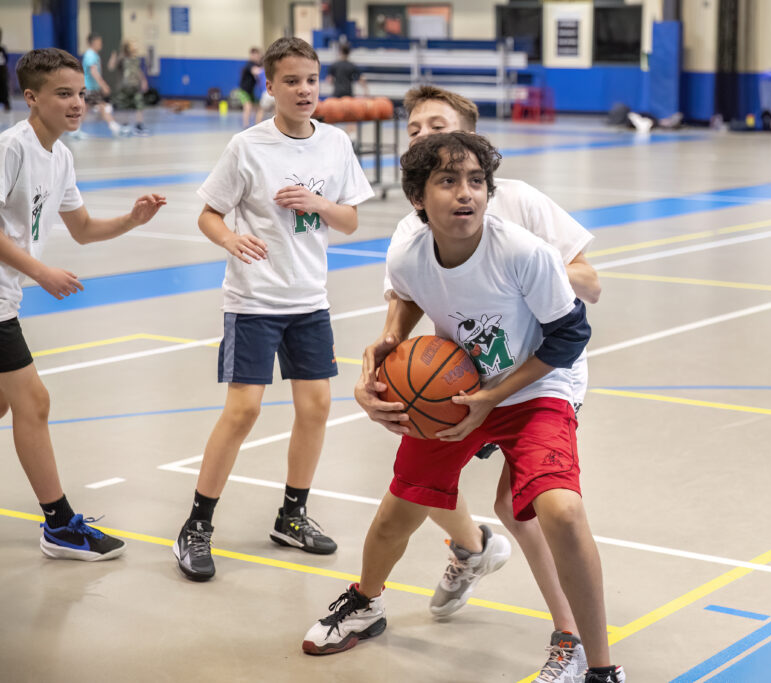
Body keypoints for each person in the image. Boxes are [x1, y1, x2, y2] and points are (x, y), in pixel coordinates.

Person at [302, 131, 625, 683]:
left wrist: (494, 398)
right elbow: (408, 294)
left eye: (476, 181)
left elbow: (571, 335)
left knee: (562, 512)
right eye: (447, 182)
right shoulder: (407, 252)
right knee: (394, 516)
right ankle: (367, 601)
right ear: (418, 199)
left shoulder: (524, 252)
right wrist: (387, 346)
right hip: (455, 392)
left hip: (532, 389)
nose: (465, 194)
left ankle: (600, 669)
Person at [171, 37, 374, 582]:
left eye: (311, 79)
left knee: (316, 409)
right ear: (270, 86)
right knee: (244, 412)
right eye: (291, 80)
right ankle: (196, 526)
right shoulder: (247, 146)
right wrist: (230, 240)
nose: (303, 89)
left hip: (310, 301)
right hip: (255, 302)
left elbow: (350, 221)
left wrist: (319, 204)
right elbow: (209, 215)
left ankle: (292, 514)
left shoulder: (335, 144)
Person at [1, 48, 166, 560]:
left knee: (4, 403)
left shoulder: (62, 156)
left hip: (8, 295)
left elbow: (84, 229)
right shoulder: (12, 148)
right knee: (34, 402)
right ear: (32, 98)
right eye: (64, 94)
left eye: (81, 95)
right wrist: (40, 270)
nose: (78, 104)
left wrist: (131, 221)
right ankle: (59, 524)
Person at [79, 33, 125, 137]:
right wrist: (103, 85)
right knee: (101, 106)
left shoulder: (93, 54)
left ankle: (76, 130)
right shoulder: (90, 55)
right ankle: (114, 126)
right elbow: (93, 71)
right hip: (89, 87)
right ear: (93, 42)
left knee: (89, 108)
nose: (101, 44)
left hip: (91, 87)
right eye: (99, 42)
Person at [108, 39, 150, 136]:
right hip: (124, 87)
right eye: (133, 45)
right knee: (125, 106)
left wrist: (143, 81)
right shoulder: (122, 58)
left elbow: (138, 71)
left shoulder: (135, 59)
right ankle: (125, 125)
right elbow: (111, 67)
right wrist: (113, 57)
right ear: (127, 47)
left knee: (139, 105)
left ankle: (139, 126)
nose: (135, 47)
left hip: (135, 86)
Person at [239, 47, 261, 128]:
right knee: (247, 106)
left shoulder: (258, 64)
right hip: (243, 91)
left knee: (258, 108)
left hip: (251, 91)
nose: (257, 57)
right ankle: (246, 125)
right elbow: (256, 71)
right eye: (255, 55)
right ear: (251, 55)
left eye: (258, 55)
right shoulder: (249, 64)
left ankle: (257, 125)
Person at [0, 29, 11, 113]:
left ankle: (6, 103)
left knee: (4, 87)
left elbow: (6, 59)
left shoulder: (2, 48)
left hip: (2, 70)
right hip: (2, 70)